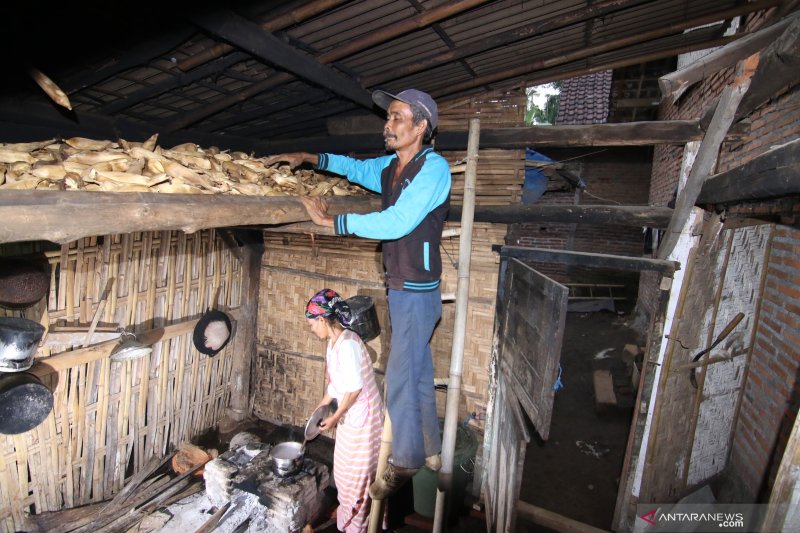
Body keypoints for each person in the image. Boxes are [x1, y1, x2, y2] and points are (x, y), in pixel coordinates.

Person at [265, 88, 450, 499]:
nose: (389, 123)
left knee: (400, 376)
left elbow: (397, 222)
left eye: (399, 117)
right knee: (417, 370)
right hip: (403, 286)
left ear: (421, 126)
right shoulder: (392, 166)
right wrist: (311, 158)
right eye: (389, 117)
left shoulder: (433, 168)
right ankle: (432, 449)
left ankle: (405, 461)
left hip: (418, 290)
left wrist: (334, 223)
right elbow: (357, 168)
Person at [305, 288, 383, 533]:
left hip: (364, 420)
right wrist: (321, 405)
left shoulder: (348, 345)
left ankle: (358, 526)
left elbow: (354, 389)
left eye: (311, 324)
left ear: (322, 319)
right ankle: (349, 514)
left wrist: (335, 417)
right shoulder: (333, 342)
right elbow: (337, 385)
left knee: (358, 478)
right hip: (351, 418)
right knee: (343, 473)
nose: (311, 329)